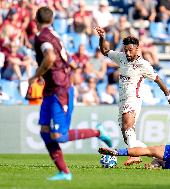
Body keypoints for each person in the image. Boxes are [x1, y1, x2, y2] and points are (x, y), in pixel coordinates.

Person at [28, 7, 112, 181]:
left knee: (60, 136)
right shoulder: (56, 36)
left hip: (60, 89)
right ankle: (64, 172)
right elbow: (71, 63)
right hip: (52, 89)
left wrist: (36, 75)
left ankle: (98, 132)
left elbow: (50, 57)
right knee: (45, 131)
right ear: (52, 20)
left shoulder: (42, 37)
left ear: (36, 20)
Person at [95, 26, 170, 166]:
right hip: (122, 100)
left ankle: (132, 155)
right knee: (127, 135)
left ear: (137, 48)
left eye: (130, 50)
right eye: (125, 50)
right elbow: (105, 51)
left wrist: (169, 97)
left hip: (133, 99)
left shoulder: (143, 64)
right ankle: (158, 158)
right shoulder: (121, 57)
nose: (127, 53)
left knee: (128, 127)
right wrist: (102, 38)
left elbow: (158, 80)